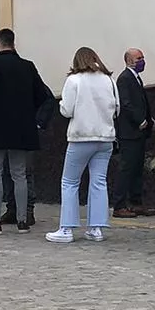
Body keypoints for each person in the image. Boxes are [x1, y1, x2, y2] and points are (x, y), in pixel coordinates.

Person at [0, 29, 54, 235]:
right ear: (13, 42)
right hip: (22, 128)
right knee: (19, 174)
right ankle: (22, 220)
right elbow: (42, 95)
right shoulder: (28, 66)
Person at [49, 48, 119, 244]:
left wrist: (63, 105)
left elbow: (66, 110)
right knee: (99, 182)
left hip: (81, 137)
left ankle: (66, 228)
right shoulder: (109, 80)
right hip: (105, 137)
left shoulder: (74, 80)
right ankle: (96, 228)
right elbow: (117, 108)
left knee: (70, 182)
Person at [112, 49, 155, 217]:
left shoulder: (136, 78)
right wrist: (140, 120)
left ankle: (136, 202)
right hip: (129, 132)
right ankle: (119, 204)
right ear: (129, 60)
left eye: (143, 57)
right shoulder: (124, 79)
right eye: (139, 58)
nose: (142, 61)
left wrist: (149, 119)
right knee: (126, 168)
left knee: (137, 168)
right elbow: (126, 103)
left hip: (139, 132)